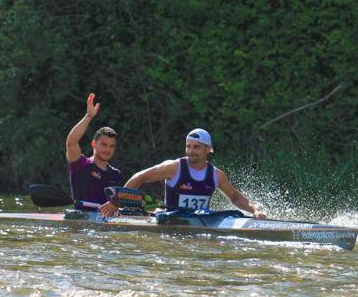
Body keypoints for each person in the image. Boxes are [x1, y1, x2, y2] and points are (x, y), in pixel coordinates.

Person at [100, 128, 266, 219]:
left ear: (208, 149)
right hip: (170, 220)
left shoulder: (216, 175)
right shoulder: (173, 168)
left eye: (196, 147)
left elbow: (235, 197)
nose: (190, 151)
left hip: (199, 223)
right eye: (188, 146)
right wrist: (117, 201)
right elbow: (140, 177)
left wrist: (254, 210)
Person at [66, 93, 123, 211]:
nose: (107, 150)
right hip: (81, 222)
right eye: (104, 144)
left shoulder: (117, 175)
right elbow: (71, 142)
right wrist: (89, 116)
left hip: (106, 226)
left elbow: (118, 207)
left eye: (111, 146)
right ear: (93, 144)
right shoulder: (81, 165)